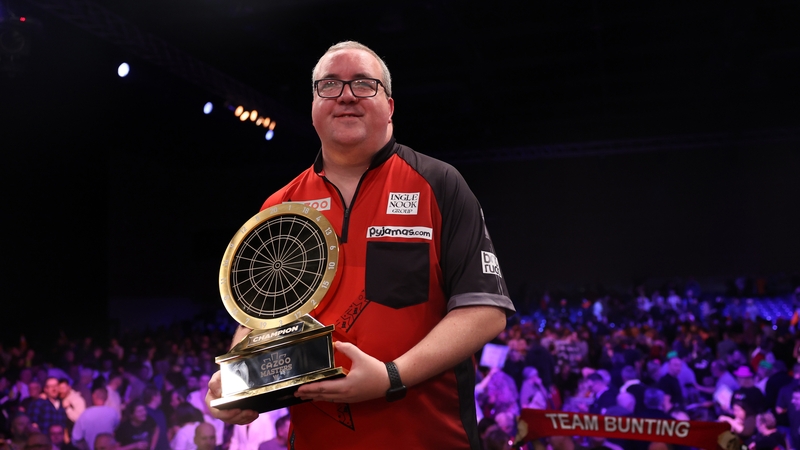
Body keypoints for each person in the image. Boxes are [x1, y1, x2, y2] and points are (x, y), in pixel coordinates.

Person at [205, 40, 514, 450]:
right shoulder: (280, 205)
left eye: (363, 84)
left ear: (389, 105)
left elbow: (486, 311)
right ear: (314, 105)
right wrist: (240, 385)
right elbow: (259, 315)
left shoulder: (439, 184)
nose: (346, 95)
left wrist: (391, 375)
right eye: (329, 85)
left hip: (431, 440)